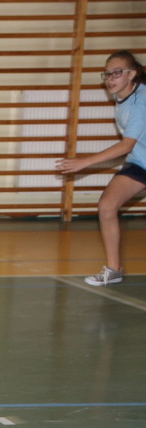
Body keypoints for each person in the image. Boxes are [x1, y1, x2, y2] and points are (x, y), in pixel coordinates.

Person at [56, 50, 146, 286]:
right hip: (140, 162)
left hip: (138, 157)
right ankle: (114, 270)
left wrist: (84, 162)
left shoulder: (141, 101)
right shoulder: (123, 97)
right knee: (107, 206)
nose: (110, 79)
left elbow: (126, 144)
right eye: (107, 74)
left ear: (132, 74)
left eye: (116, 73)